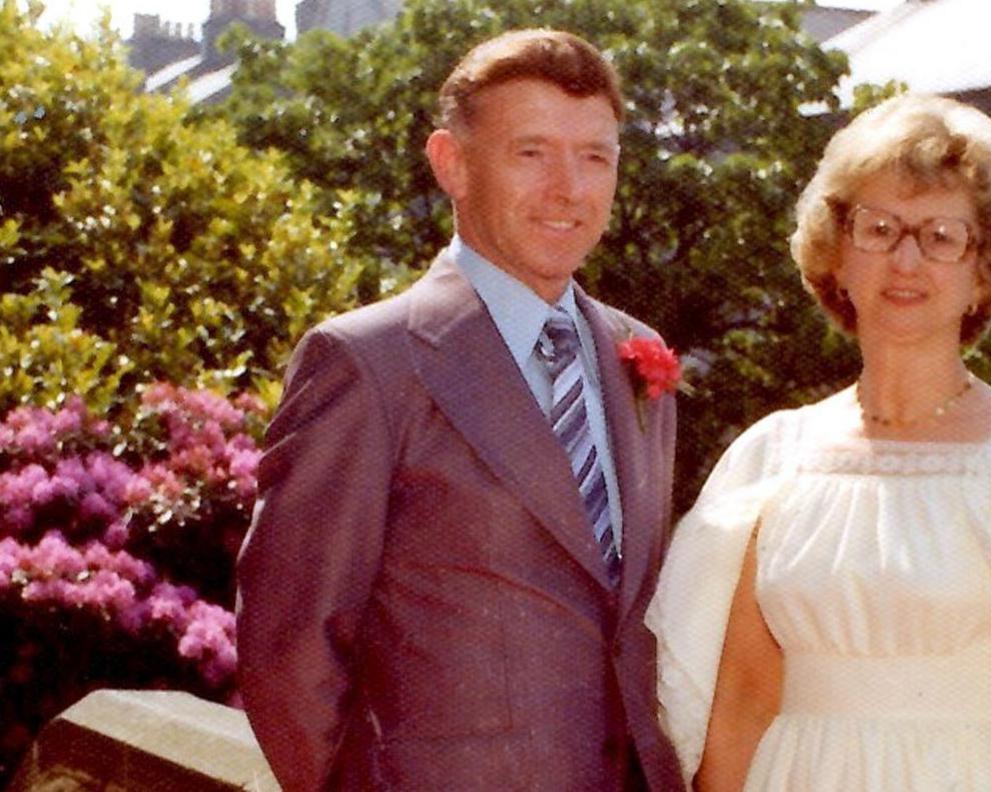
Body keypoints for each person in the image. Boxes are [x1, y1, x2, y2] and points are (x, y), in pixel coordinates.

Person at [645, 93, 991, 791]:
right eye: (878, 228)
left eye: (941, 236)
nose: (906, 260)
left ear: (982, 271)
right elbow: (744, 704)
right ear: (837, 256)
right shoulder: (772, 458)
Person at [237, 29, 684, 791]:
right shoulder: (368, 363)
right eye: (532, 153)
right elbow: (289, 649)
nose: (569, 189)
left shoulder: (636, 355)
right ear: (451, 164)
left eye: (595, 157)